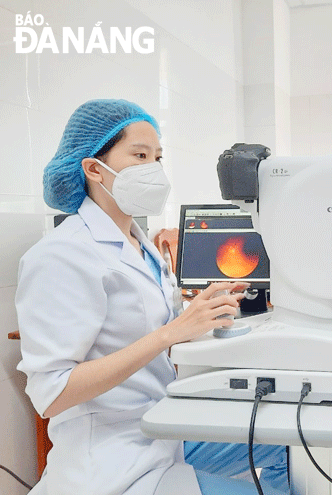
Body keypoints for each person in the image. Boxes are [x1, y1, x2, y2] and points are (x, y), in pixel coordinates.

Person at [15, 99, 288, 495]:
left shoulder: (141, 245)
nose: (154, 169)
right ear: (94, 169)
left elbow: (148, 331)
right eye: (140, 155)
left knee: (290, 448)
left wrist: (201, 312)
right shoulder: (61, 254)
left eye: (157, 157)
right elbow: (52, 394)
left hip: (164, 431)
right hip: (116, 457)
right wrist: (170, 334)